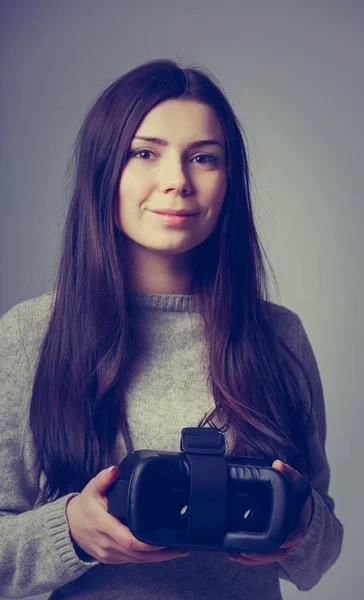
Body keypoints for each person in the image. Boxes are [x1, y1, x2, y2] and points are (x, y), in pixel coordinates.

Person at [0, 58, 343, 599]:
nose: (177, 182)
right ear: (104, 170)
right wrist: (71, 531)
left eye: (203, 158)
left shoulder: (279, 336)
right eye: (145, 153)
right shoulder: (31, 335)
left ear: (229, 181)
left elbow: (321, 549)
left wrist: (299, 525)